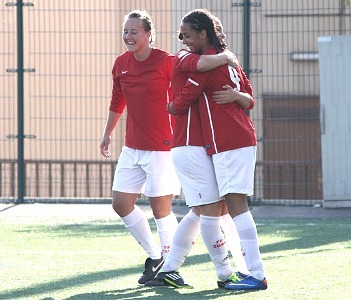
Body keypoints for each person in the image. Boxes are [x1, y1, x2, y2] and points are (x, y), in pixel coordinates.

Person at [145, 12, 250, 289]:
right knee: (213, 209)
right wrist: (227, 58)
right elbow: (181, 98)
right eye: (218, 33)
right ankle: (226, 273)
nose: (183, 39)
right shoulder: (184, 58)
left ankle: (169, 268)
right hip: (189, 146)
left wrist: (237, 93)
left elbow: (247, 97)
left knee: (203, 210)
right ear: (207, 35)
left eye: (187, 34)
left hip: (201, 148)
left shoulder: (213, 64)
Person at [168, 9, 268, 291]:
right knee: (223, 207)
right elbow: (250, 99)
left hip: (228, 142)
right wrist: (237, 92)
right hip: (240, 139)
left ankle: (255, 275)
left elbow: (184, 97)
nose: (182, 39)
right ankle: (245, 272)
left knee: (235, 207)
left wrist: (171, 106)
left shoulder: (207, 64)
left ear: (203, 34)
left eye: (188, 34)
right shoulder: (229, 60)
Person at [99, 10, 180, 285]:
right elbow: (117, 101)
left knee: (161, 210)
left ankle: (171, 267)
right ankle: (155, 256)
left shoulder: (167, 61)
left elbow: (185, 93)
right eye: (126, 31)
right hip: (132, 148)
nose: (129, 36)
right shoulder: (121, 63)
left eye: (134, 31)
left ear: (148, 34)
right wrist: (107, 134)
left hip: (162, 148)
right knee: (121, 204)